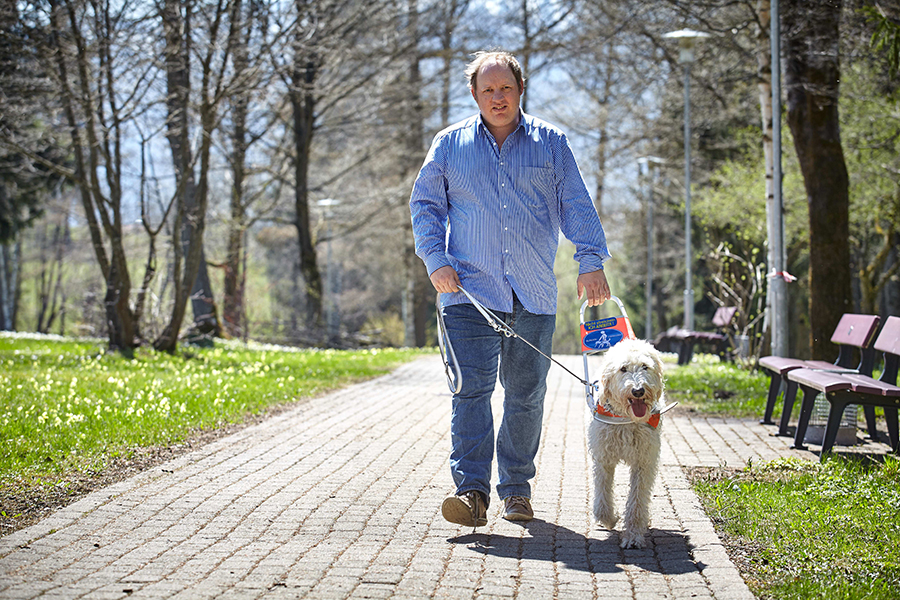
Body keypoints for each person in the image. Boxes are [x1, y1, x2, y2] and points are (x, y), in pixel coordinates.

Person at [409, 50, 611, 527]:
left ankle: (516, 491)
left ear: (521, 89)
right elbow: (426, 206)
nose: (497, 98)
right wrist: (435, 259)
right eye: (488, 90)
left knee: (526, 396)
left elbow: (576, 204)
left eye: (505, 88)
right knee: (471, 394)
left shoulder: (551, 143)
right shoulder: (449, 144)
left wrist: (589, 260)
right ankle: (472, 493)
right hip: (467, 295)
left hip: (533, 294)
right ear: (475, 95)